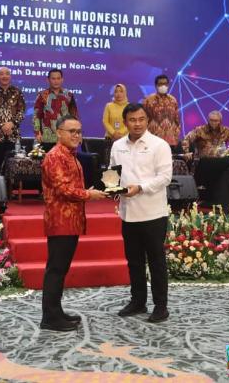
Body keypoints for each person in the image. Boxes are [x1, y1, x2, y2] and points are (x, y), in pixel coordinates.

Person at [40, 114, 107, 331]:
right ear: (59, 133)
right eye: (72, 131)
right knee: (56, 269)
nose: (76, 135)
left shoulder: (70, 155)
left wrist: (86, 192)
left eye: (79, 131)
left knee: (60, 269)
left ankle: (56, 311)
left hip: (71, 220)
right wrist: (89, 195)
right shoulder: (55, 156)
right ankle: (50, 318)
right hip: (60, 220)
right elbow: (63, 189)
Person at [109, 103, 173, 323]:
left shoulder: (159, 145)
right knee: (134, 261)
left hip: (153, 213)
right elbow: (112, 173)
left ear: (148, 121)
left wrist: (140, 187)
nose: (137, 124)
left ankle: (161, 306)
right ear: (125, 122)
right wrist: (111, 189)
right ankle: (138, 301)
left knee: (156, 262)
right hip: (128, 213)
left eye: (141, 119)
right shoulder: (117, 145)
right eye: (132, 120)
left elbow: (164, 177)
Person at [33, 68, 78, 152]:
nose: (56, 81)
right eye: (53, 78)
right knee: (47, 159)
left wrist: (76, 133)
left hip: (65, 137)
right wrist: (37, 132)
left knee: (65, 159)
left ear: (62, 79)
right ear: (48, 80)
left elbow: (74, 115)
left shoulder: (68, 95)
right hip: (47, 137)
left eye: (58, 78)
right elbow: (36, 115)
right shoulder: (42, 95)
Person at [142, 74, 180, 149]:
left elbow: (177, 120)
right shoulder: (148, 100)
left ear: (168, 85)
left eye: (165, 84)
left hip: (170, 140)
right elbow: (143, 119)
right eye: (160, 84)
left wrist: (176, 134)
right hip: (153, 140)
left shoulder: (173, 100)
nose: (163, 86)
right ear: (156, 85)